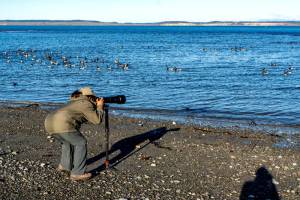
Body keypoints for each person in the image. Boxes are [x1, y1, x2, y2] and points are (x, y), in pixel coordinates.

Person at [44, 87, 104, 181]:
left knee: (67, 142)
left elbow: (81, 117)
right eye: (93, 97)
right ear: (89, 96)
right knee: (81, 142)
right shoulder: (85, 103)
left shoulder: (72, 102)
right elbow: (97, 120)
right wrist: (100, 107)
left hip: (49, 123)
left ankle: (64, 166)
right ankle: (77, 173)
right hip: (63, 124)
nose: (94, 99)